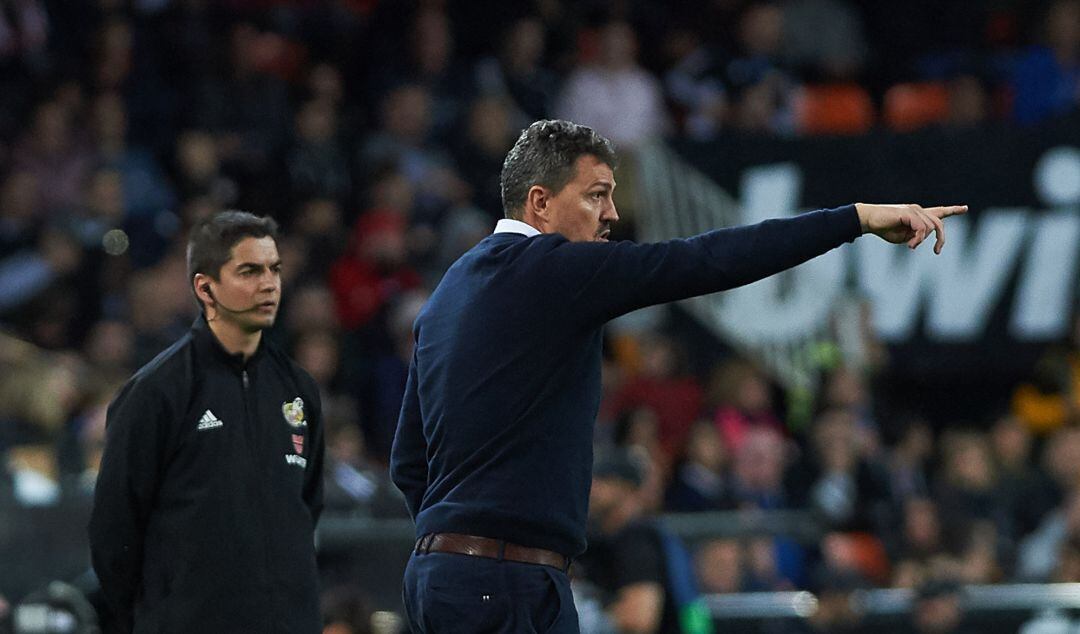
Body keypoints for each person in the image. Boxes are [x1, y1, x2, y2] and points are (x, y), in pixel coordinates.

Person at [390, 118, 966, 633]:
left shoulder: (447, 295)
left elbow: (408, 461)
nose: (613, 213)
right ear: (539, 203)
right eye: (597, 195)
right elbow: (704, 260)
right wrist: (854, 219)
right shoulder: (553, 269)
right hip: (506, 582)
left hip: (444, 575)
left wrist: (455, 545)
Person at [88, 211, 325, 633]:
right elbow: (114, 532)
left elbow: (307, 509)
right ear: (205, 287)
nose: (269, 284)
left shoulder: (298, 390)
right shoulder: (157, 392)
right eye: (249, 271)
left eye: (274, 270)